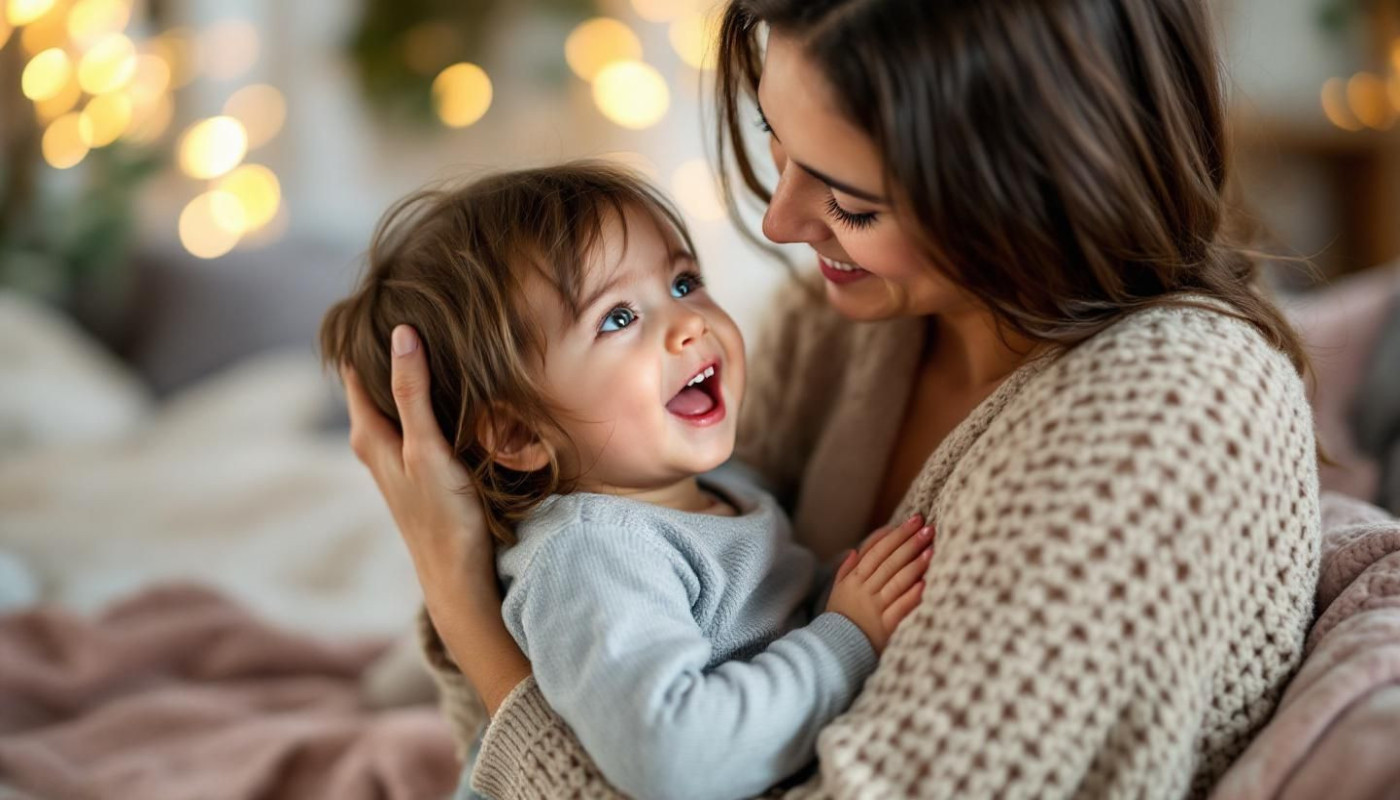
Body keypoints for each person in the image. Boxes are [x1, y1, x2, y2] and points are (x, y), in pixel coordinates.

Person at [340, 0, 1323, 796]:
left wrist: (472, 621)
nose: (779, 221)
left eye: (850, 201)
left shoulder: (1163, 417)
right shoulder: (840, 328)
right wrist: (474, 589)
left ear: (1027, 187)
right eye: (774, 138)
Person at [320, 163, 935, 800]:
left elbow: (768, 617)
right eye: (618, 318)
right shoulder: (593, 554)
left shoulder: (720, 490)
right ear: (519, 435)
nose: (690, 323)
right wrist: (845, 637)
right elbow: (677, 759)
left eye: (683, 282)